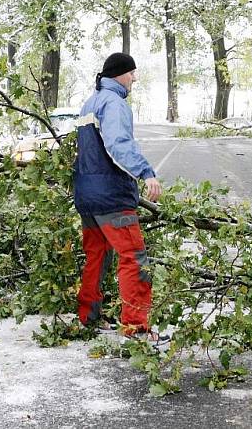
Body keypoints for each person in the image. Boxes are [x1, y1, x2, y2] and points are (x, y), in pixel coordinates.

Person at [73, 52, 164, 340]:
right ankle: (136, 326)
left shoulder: (91, 102)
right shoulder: (114, 103)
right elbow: (118, 145)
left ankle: (89, 317)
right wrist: (146, 172)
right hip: (111, 197)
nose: (135, 78)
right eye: (132, 73)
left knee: (96, 257)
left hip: (88, 197)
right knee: (134, 259)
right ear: (120, 74)